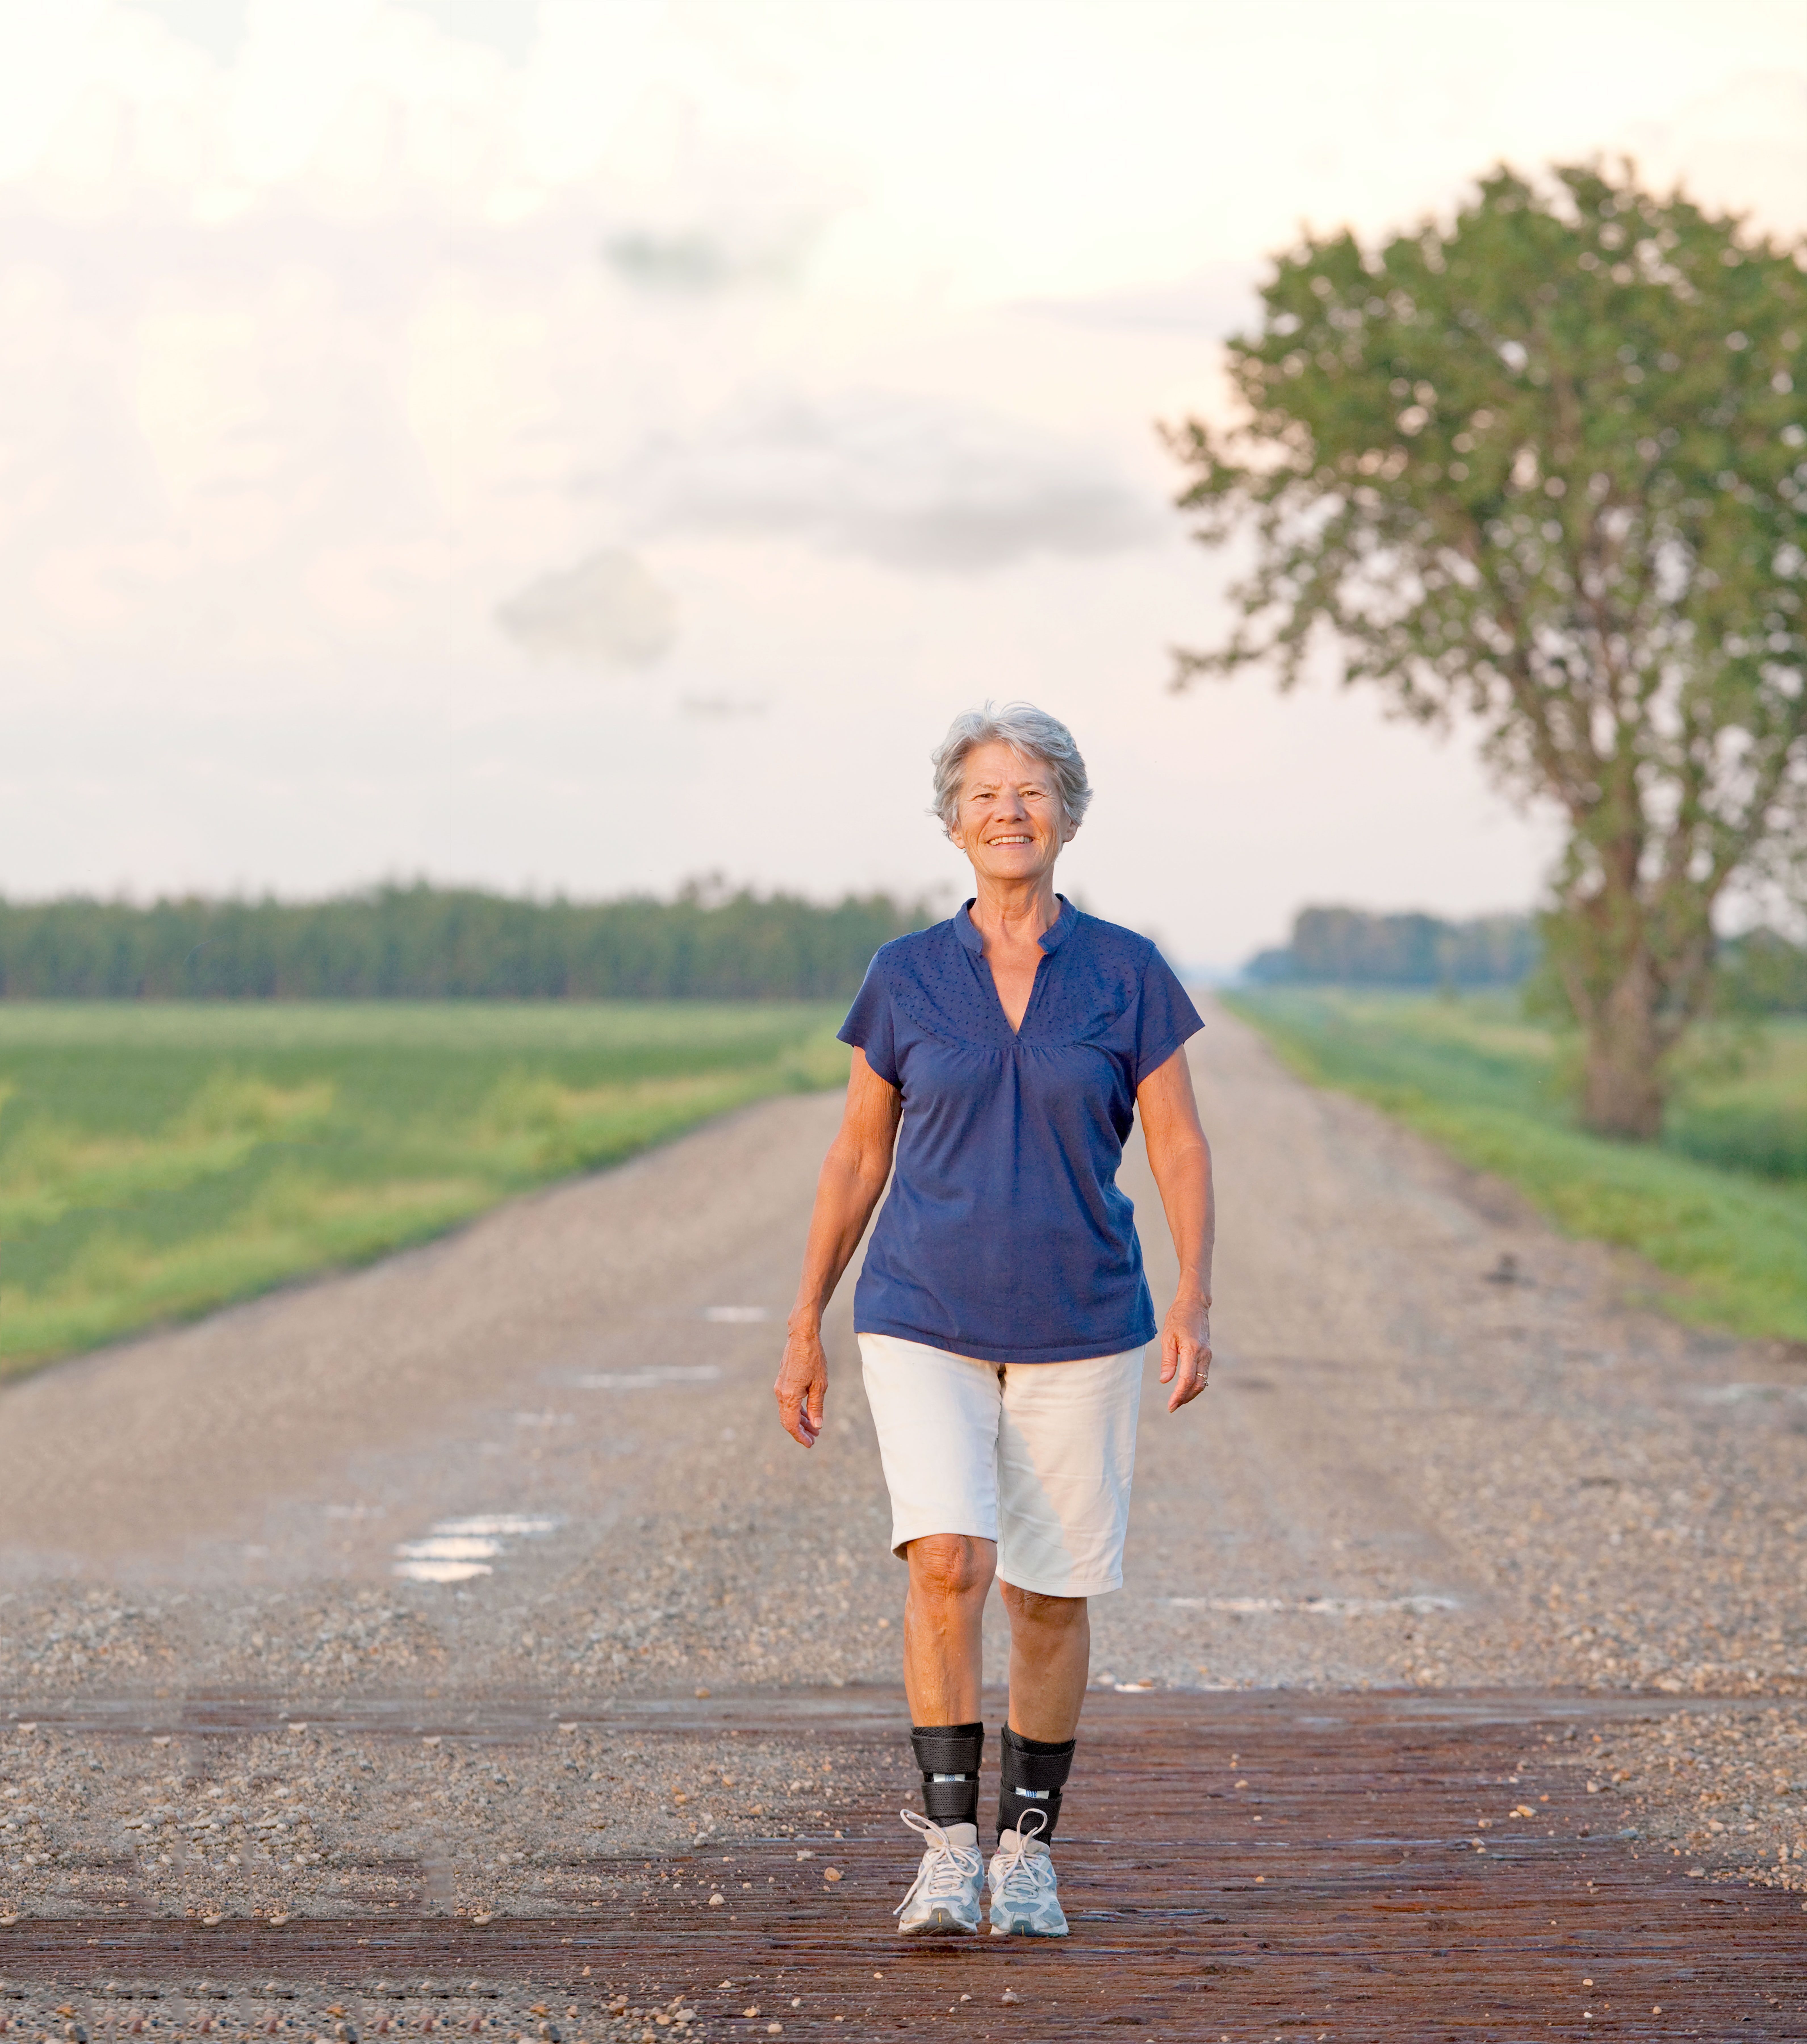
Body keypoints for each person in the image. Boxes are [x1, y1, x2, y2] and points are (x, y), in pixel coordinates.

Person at [774, 701, 1215, 1938]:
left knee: (1048, 1593)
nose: (1009, 811)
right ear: (952, 822)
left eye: (1032, 791)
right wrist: (805, 1319)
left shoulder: (1127, 971)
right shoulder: (904, 975)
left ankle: (1027, 1851)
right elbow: (857, 1158)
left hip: (1084, 1316)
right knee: (948, 1561)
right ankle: (946, 1847)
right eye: (984, 794)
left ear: (1069, 815)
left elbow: (1177, 1144)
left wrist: (1192, 1293)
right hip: (921, 1311)